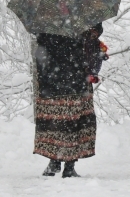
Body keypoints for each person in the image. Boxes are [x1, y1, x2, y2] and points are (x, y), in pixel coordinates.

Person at [33, 22, 108, 178]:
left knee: (55, 123)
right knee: (75, 123)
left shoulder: (46, 21)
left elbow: (41, 51)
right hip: (76, 83)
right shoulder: (81, 19)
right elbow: (92, 40)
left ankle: (54, 162)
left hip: (51, 85)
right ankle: (69, 167)